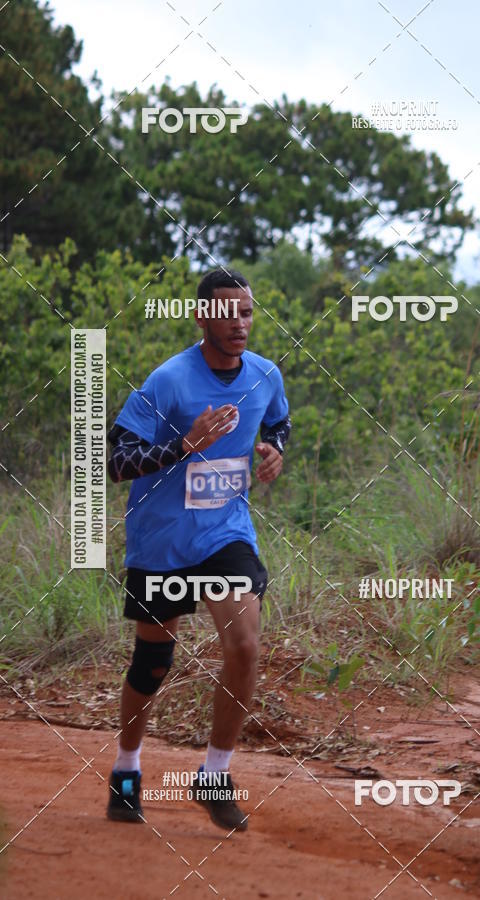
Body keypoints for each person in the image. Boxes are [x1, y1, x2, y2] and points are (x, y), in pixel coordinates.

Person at [105, 268, 291, 831]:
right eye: (228, 312)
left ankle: (214, 774)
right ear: (202, 317)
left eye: (248, 312)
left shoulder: (264, 375)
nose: (240, 323)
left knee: (244, 645)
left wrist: (272, 451)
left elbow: (279, 423)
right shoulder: (169, 381)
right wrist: (183, 445)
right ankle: (127, 769)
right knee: (153, 662)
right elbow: (114, 461)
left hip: (225, 534)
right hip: (162, 541)